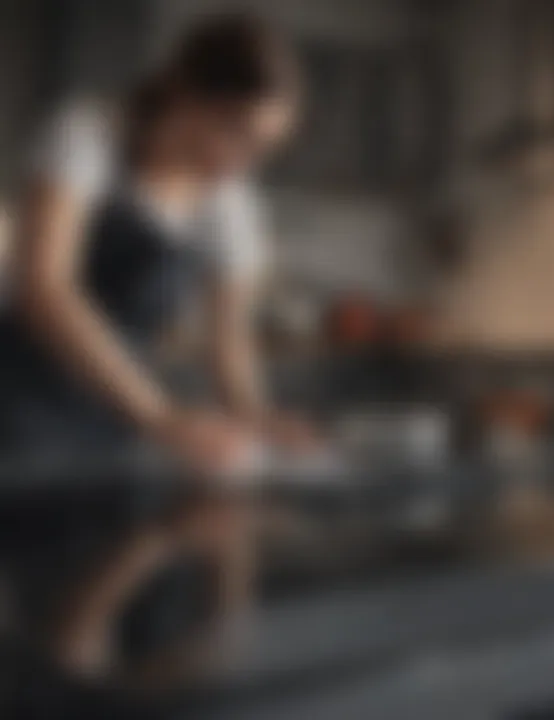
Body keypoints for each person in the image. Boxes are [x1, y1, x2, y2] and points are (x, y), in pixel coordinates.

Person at [0, 10, 310, 689]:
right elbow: (44, 289)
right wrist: (161, 418)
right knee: (29, 627)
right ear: (188, 96)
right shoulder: (87, 136)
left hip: (109, 425)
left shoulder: (229, 202)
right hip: (18, 409)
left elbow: (230, 344)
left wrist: (258, 419)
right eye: (239, 134)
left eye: (262, 148)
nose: (243, 161)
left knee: (87, 612)